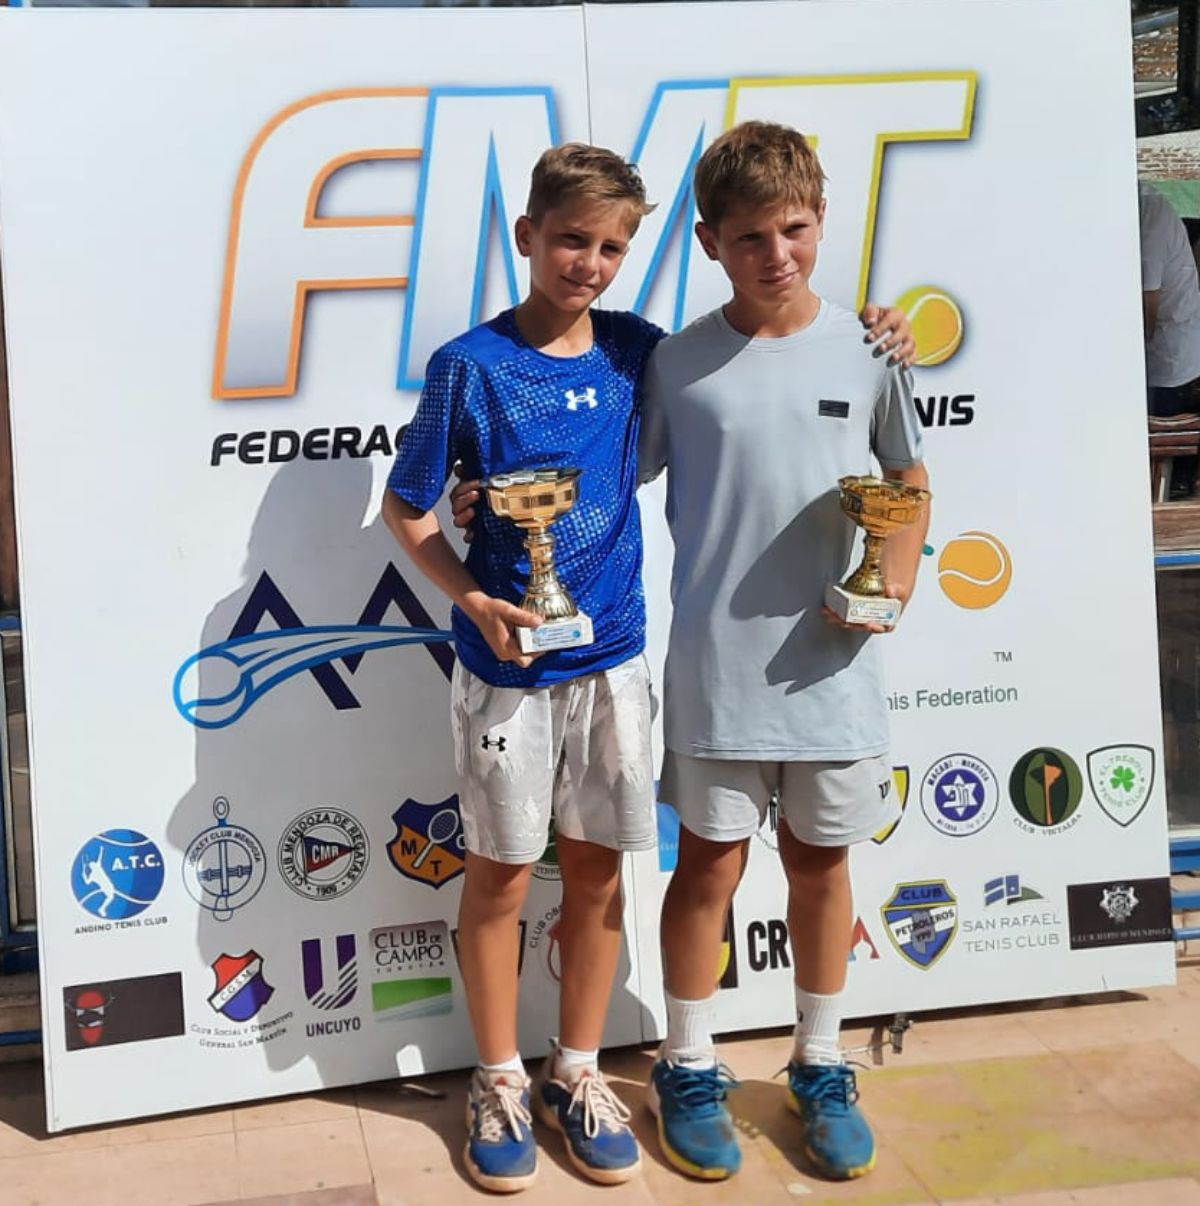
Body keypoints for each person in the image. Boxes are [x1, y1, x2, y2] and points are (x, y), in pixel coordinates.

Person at [414, 142, 914, 1193]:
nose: (589, 262)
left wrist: (894, 579)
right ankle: (592, 1073)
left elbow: (905, 475)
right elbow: (488, 488)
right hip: (616, 671)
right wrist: (472, 534)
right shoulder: (600, 360)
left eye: (608, 247)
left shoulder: (803, 350)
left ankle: (735, 1068)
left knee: (739, 871)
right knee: (610, 875)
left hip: (736, 669)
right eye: (571, 240)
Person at [638, 121, 930, 1184]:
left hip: (833, 671)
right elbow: (603, 483)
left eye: (796, 229)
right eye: (752, 235)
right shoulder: (675, 360)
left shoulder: (872, 345)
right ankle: (689, 1063)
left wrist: (889, 587)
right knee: (708, 867)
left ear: (822, 220)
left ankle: (817, 1061)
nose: (778, 254)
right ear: (711, 241)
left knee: (820, 864)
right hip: (715, 668)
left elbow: (908, 483)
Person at [1140, 182, 1200, 497]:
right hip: (1171, 351)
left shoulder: (1149, 209)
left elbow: (1148, 303)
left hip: (1172, 359)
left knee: (1165, 454)